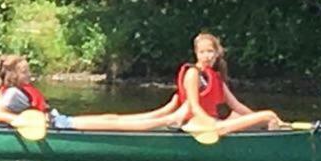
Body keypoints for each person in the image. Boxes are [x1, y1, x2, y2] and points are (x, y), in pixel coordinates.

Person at [45, 33, 285, 133]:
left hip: (203, 122)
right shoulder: (193, 74)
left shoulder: (216, 78)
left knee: (263, 116)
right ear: (196, 53)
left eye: (211, 52)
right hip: (195, 123)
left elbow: (237, 107)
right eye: (203, 52)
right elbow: (193, 106)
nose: (207, 56)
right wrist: (212, 124)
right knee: (118, 121)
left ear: (217, 53)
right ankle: (67, 123)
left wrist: (270, 121)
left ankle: (276, 128)